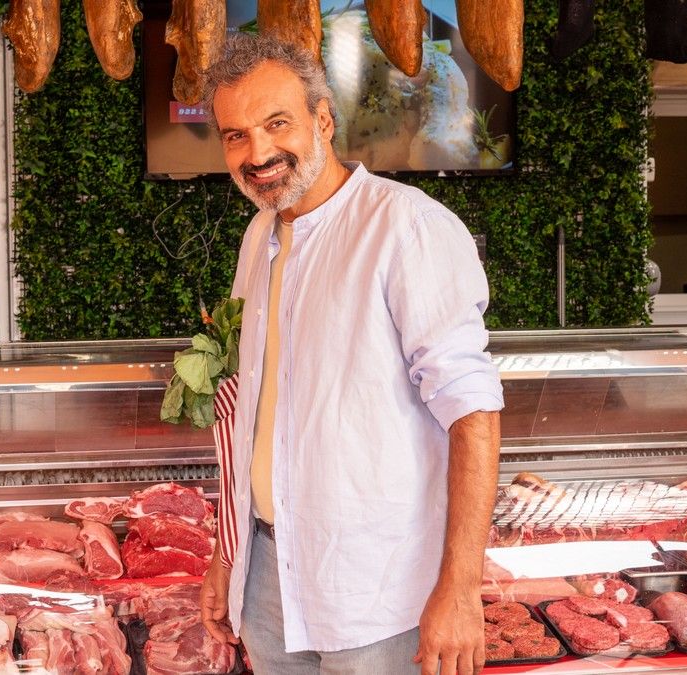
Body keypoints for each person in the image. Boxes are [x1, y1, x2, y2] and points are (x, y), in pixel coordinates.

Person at [198, 33, 504, 675]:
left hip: (378, 595)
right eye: (235, 135)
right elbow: (250, 410)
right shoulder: (258, 236)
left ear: (324, 119)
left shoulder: (406, 228)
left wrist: (461, 586)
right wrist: (228, 555)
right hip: (268, 582)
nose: (257, 153)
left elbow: (473, 414)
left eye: (276, 123)